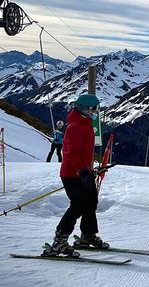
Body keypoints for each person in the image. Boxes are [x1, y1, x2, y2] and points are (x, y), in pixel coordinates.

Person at [45, 94, 107, 256]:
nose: (96, 112)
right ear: (85, 108)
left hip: (84, 173)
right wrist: (83, 171)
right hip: (72, 174)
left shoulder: (85, 124)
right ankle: (59, 241)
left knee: (91, 202)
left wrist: (90, 170)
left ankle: (87, 236)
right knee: (78, 205)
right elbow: (71, 153)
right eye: (94, 109)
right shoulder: (75, 127)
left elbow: (84, 152)